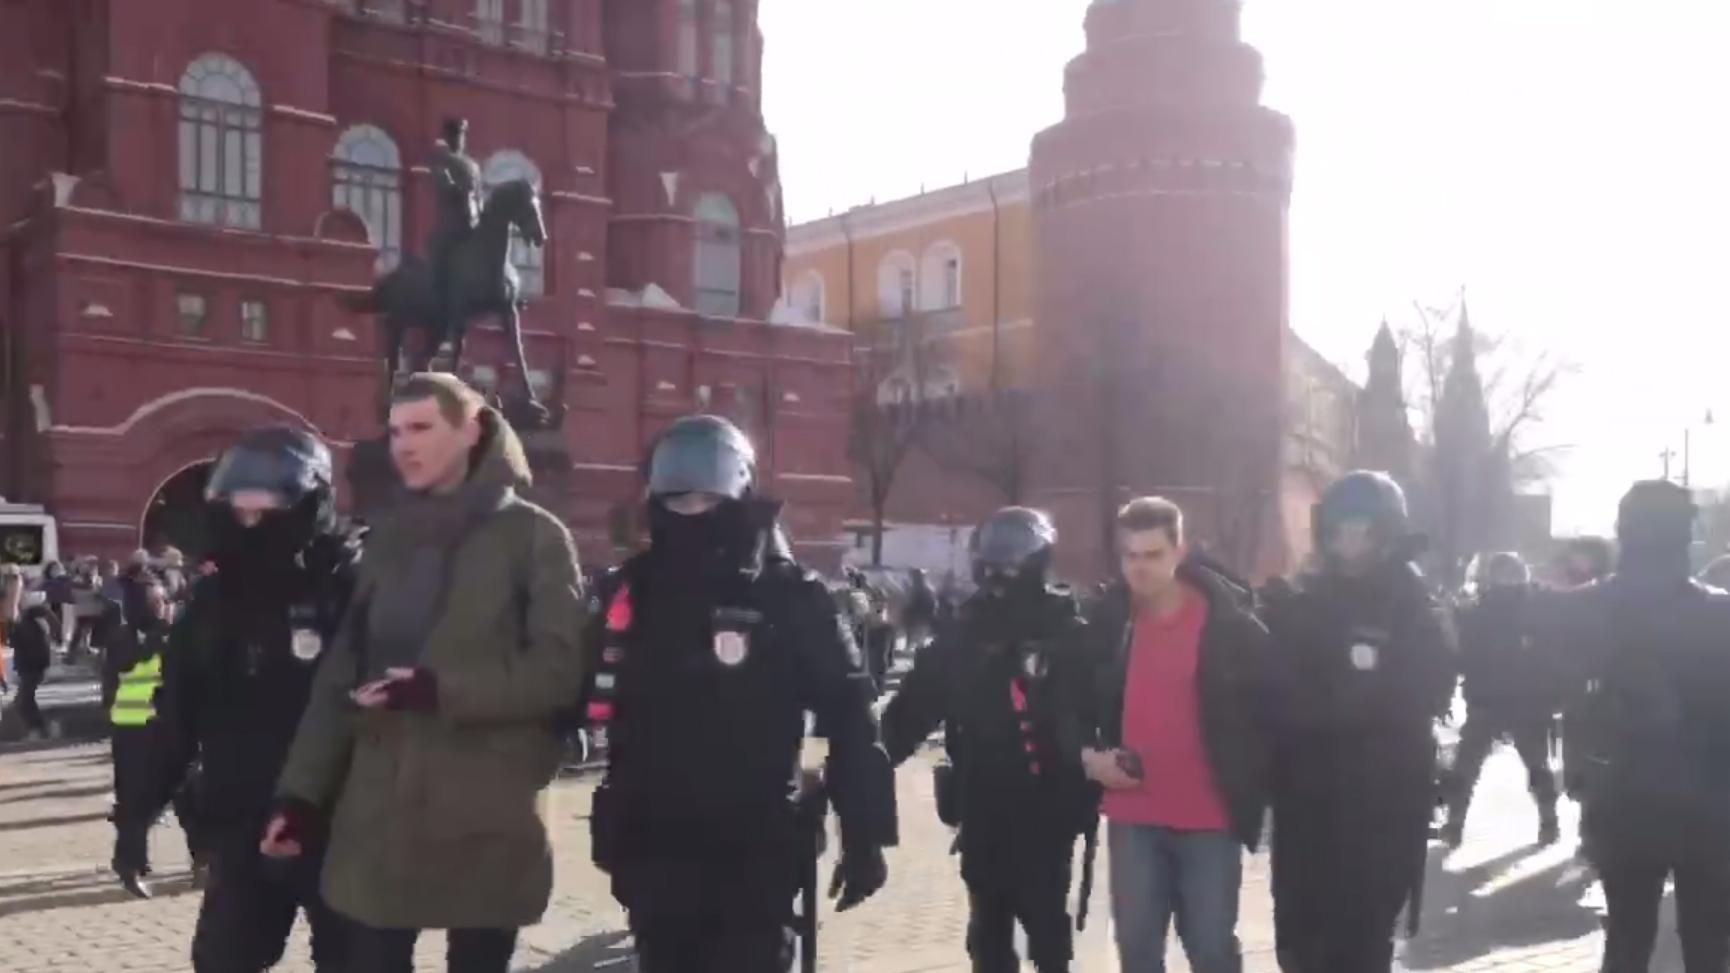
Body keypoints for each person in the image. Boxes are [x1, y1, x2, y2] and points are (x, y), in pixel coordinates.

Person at [268, 373, 587, 973]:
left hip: (486, 812)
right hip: (383, 814)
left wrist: (437, 691)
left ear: (471, 431)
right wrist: (301, 796)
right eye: (393, 431)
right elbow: (340, 677)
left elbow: (557, 672)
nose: (402, 445)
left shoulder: (535, 538)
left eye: (421, 428)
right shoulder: (389, 540)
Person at [583, 414, 896, 972]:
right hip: (654, 842)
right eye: (678, 502)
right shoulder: (631, 590)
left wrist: (864, 832)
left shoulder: (790, 596)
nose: (692, 516)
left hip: (755, 847)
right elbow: (569, 690)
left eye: (707, 501)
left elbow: (850, 713)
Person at [156, 426, 362, 972]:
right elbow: (176, 701)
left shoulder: (349, 583)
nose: (251, 524)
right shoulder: (215, 598)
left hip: (340, 820)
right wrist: (141, 805)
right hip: (241, 815)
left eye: (264, 508)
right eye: (240, 510)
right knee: (225, 960)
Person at [881, 507, 1093, 973]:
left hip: (1048, 803)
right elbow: (914, 707)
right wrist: (866, 761)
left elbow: (1102, 708)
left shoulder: (1067, 631)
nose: (999, 578)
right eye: (991, 566)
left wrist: (1095, 779)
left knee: (1048, 933)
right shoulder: (966, 631)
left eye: (1010, 566)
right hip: (981, 802)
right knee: (988, 934)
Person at [1261, 471, 1456, 973]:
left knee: (1363, 943)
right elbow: (1273, 690)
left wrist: (1343, 701)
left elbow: (1427, 689)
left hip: (1382, 800)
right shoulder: (1303, 598)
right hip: (1308, 799)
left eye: (1364, 530)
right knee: (1302, 944)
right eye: (1341, 530)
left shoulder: (1412, 602)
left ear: (1386, 533)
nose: (1351, 543)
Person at [1081, 498, 1271, 973]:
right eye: (1130, 556)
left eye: (1153, 555)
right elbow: (1069, 703)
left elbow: (1268, 712)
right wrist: (1089, 756)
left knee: (1211, 951)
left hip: (1210, 818)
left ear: (1179, 551)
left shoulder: (1230, 625)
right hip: (1134, 817)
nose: (1140, 568)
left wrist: (1254, 787)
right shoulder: (1107, 621)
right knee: (1138, 954)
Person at [1560, 481, 1730, 973]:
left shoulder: (1590, 606)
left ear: (1625, 532)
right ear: (1685, 536)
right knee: (1706, 941)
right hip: (1709, 804)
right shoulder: (1719, 613)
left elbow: (1567, 695)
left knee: (1628, 937)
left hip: (1623, 797)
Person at [1441, 552, 1561, 848]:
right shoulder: (1533, 609)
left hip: (1505, 699)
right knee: (1527, 766)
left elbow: (1461, 654)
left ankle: (1456, 824)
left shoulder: (1493, 610)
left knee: (1473, 765)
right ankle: (1548, 822)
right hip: (1511, 700)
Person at [103, 573, 197, 898]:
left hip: (128, 730)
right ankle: (200, 862)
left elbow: (108, 688)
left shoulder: (119, 638)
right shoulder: (166, 640)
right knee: (181, 796)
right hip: (158, 730)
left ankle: (132, 862)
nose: (167, 606)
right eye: (161, 601)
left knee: (140, 804)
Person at [10, 588, 60, 738]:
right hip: (32, 666)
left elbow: (22, 644)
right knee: (24, 700)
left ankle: (40, 728)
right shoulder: (34, 623)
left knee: (24, 701)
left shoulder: (30, 623)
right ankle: (41, 728)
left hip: (31, 666)